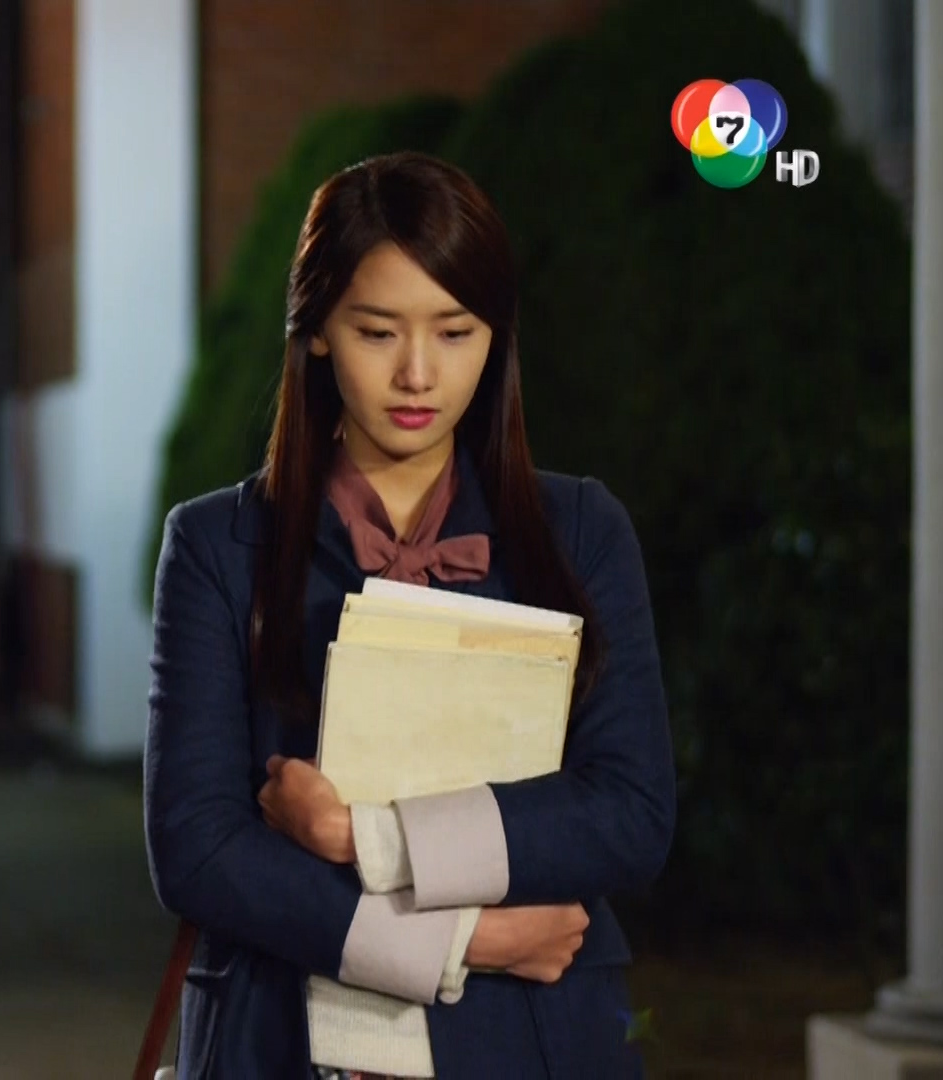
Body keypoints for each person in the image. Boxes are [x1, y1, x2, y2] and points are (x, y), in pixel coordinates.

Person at [143, 151, 674, 1079]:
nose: (419, 373)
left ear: (496, 336)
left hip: (532, 1039)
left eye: (456, 331)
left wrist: (364, 837)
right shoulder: (218, 546)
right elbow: (198, 849)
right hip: (283, 1036)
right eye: (378, 332)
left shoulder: (580, 531)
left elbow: (629, 812)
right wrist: (460, 942)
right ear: (317, 331)